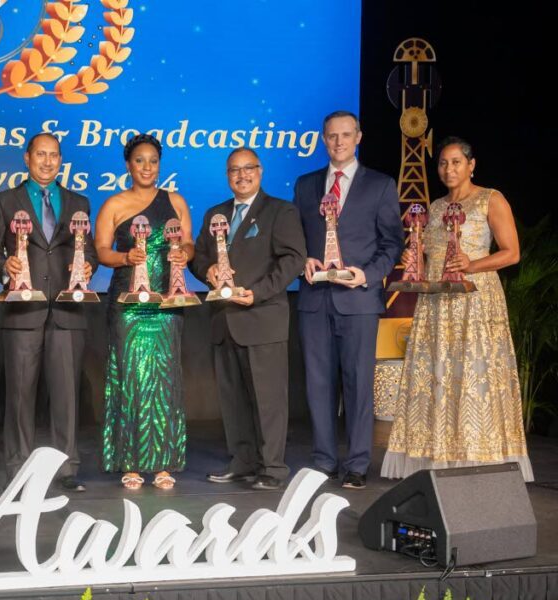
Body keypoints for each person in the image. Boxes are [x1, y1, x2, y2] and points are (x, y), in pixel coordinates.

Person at [382, 137, 532, 481]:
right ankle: (438, 455)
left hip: (475, 303)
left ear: (471, 164)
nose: (449, 169)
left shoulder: (490, 199)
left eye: (456, 162)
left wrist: (471, 264)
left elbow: (512, 253)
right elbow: (430, 254)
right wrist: (413, 259)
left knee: (474, 377)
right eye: (443, 164)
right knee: (438, 378)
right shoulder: (434, 208)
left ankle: (479, 455)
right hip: (436, 306)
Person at [0, 132, 96, 491]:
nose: (47, 161)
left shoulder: (79, 202)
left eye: (54, 155)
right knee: (20, 396)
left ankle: (67, 468)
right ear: (26, 158)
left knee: (66, 396)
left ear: (61, 160)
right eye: (40, 155)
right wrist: (6, 267)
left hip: (67, 311)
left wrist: (88, 266)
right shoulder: (4, 200)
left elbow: (87, 252)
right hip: (23, 312)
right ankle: (18, 469)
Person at [294, 111, 404, 489]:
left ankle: (357, 464)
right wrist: (301, 261)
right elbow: (294, 243)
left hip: (358, 300)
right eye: (331, 136)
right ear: (323, 140)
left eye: (345, 135)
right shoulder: (306, 185)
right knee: (318, 384)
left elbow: (393, 244)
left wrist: (368, 275)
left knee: (359, 384)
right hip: (315, 300)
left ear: (358, 137)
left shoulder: (380, 185)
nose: (338, 142)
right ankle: (324, 460)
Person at [192, 148, 306, 491]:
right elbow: (197, 256)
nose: (241, 176)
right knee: (233, 400)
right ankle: (242, 462)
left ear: (260, 171)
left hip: (262, 317)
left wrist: (258, 293)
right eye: (234, 171)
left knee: (269, 400)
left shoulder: (280, 211)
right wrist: (205, 269)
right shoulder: (215, 214)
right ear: (227, 176)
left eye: (248, 169)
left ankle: (272, 467)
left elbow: (293, 260)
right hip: (224, 321)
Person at [95, 133, 193, 490]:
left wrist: (185, 254)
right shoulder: (114, 205)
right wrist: (125, 257)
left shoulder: (176, 202)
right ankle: (131, 460)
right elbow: (101, 251)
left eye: (153, 160)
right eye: (140, 160)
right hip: (128, 305)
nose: (147, 167)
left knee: (165, 378)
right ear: (128, 165)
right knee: (132, 377)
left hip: (167, 302)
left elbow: (190, 243)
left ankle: (164, 462)